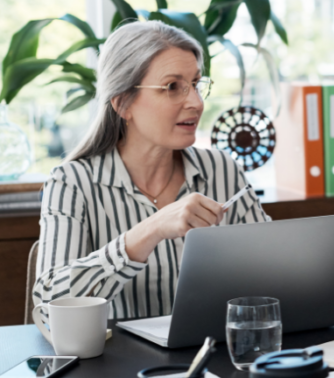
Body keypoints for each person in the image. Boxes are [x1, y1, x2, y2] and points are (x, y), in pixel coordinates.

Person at [33, 21, 269, 320]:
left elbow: (272, 276)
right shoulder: (71, 183)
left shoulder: (222, 170)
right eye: (172, 87)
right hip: (119, 365)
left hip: (215, 356)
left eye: (196, 84)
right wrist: (150, 230)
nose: (196, 102)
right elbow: (48, 303)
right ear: (122, 104)